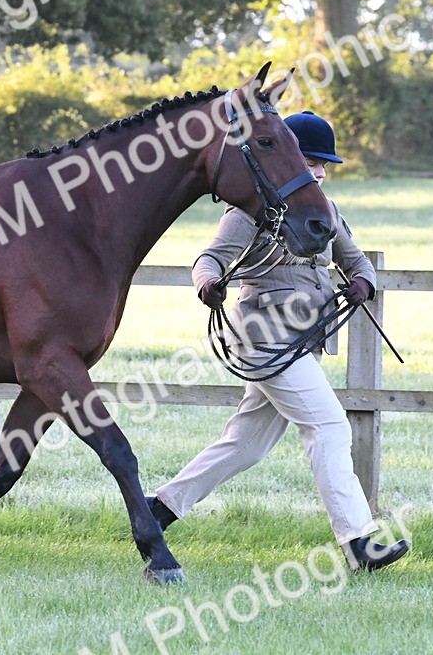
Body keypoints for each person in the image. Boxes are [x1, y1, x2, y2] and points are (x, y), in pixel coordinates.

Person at [148, 111, 409, 571]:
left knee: (245, 445)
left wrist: (363, 283)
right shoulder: (251, 211)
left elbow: (356, 260)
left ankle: (159, 509)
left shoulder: (324, 211)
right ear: (289, 160)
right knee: (330, 427)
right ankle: (359, 543)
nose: (323, 172)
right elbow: (209, 258)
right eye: (313, 162)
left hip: (303, 342)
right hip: (264, 341)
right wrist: (207, 284)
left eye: (326, 165)